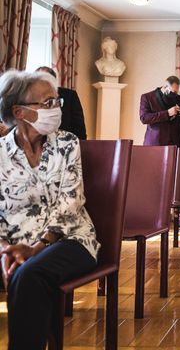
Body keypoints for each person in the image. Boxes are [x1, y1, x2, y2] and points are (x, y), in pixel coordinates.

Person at [0, 70, 99, 350]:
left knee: (29, 273)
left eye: (57, 102)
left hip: (70, 239)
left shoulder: (66, 143)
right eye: (47, 103)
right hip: (13, 245)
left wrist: (36, 247)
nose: (55, 109)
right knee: (23, 271)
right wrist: (5, 248)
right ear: (19, 111)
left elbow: (71, 201)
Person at [139, 76, 180, 147]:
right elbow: (144, 118)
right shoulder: (147, 97)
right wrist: (167, 113)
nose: (175, 95)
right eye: (173, 92)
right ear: (165, 86)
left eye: (176, 92)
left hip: (176, 145)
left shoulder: (179, 100)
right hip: (155, 144)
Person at [36, 66, 88, 140]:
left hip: (65, 142)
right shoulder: (29, 98)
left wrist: (81, 143)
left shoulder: (69, 95)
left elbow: (79, 125)